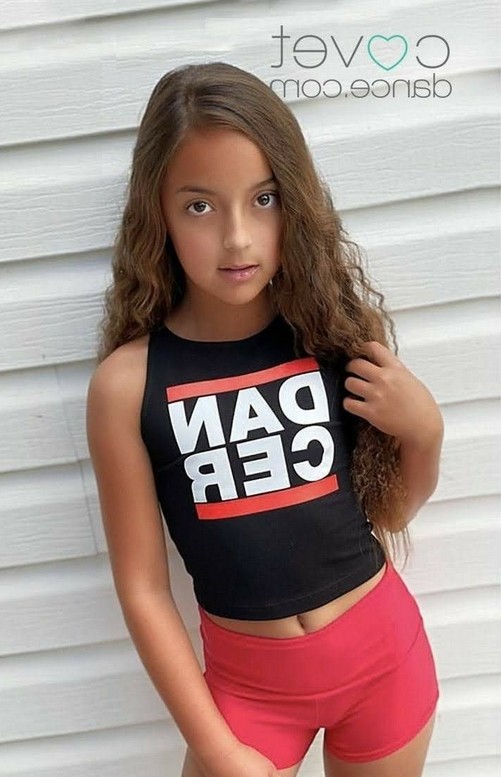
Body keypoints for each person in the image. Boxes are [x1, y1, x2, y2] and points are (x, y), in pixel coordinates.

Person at [86, 61, 444, 777]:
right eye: (199, 206)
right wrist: (218, 749)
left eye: (263, 198)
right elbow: (143, 589)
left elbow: (387, 512)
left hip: (384, 661)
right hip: (247, 693)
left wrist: (424, 432)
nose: (238, 238)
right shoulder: (127, 386)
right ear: (157, 214)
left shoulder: (331, 338)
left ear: (295, 202)